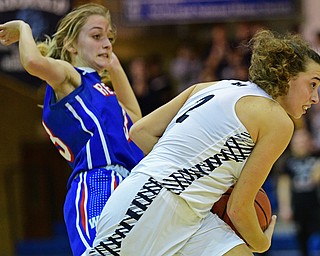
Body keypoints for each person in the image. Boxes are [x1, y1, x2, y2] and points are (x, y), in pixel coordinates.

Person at [84, 29, 320, 255]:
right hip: (151, 203)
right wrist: (262, 243)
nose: (315, 98)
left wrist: (195, 177)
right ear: (287, 74)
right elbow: (238, 209)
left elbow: (140, 131)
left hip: (191, 209)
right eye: (313, 84)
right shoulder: (278, 121)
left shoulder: (213, 86)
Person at [0, 3, 144, 255]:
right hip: (97, 182)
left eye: (109, 38)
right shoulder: (70, 75)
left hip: (128, 182)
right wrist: (23, 28)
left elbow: (135, 120)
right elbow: (33, 62)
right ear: (71, 45)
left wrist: (116, 66)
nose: (107, 43)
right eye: (97, 36)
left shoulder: (104, 93)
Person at [277, 127, 320, 256]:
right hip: (299, 204)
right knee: (302, 238)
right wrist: (285, 207)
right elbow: (283, 186)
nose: (301, 144)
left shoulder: (317, 157)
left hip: (316, 203)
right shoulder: (287, 162)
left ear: (309, 141)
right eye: (297, 141)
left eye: (303, 140)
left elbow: (315, 178)